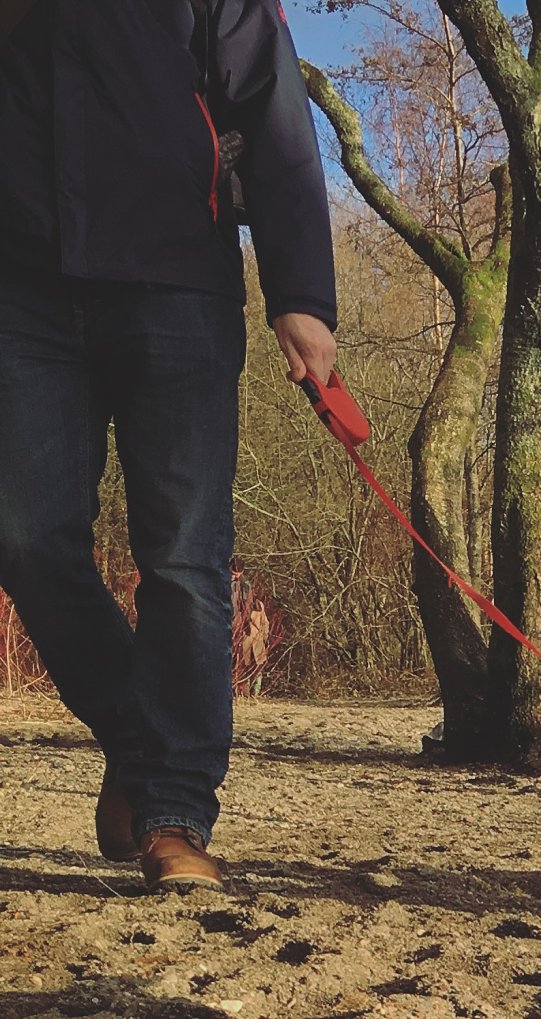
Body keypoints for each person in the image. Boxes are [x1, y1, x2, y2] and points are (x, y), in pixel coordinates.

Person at [0, 0, 337, 891]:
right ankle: (144, 742)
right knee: (25, 537)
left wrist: (299, 287)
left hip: (177, 280)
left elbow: (272, 103)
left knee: (185, 558)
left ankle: (175, 816)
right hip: (19, 288)